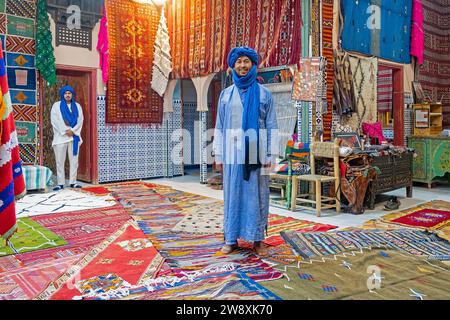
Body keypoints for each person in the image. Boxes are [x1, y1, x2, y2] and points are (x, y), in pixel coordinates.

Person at [213, 47, 278, 256]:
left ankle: (258, 239)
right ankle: (231, 239)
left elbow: (271, 125)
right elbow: (220, 126)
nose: (242, 65)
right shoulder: (226, 95)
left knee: (258, 195)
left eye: (246, 61)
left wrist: (270, 154)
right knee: (232, 194)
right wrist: (219, 154)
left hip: (256, 153)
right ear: (233, 65)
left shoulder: (264, 94)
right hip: (232, 153)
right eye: (239, 61)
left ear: (253, 65)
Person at [50, 85, 84, 191]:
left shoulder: (77, 106)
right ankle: (60, 183)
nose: (67, 95)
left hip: (74, 137)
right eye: (65, 93)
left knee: (74, 161)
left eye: (69, 93)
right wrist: (65, 131)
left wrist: (72, 131)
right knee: (60, 161)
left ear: (72, 95)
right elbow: (54, 120)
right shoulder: (56, 105)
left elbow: (80, 120)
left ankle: (73, 182)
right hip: (61, 137)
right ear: (62, 95)